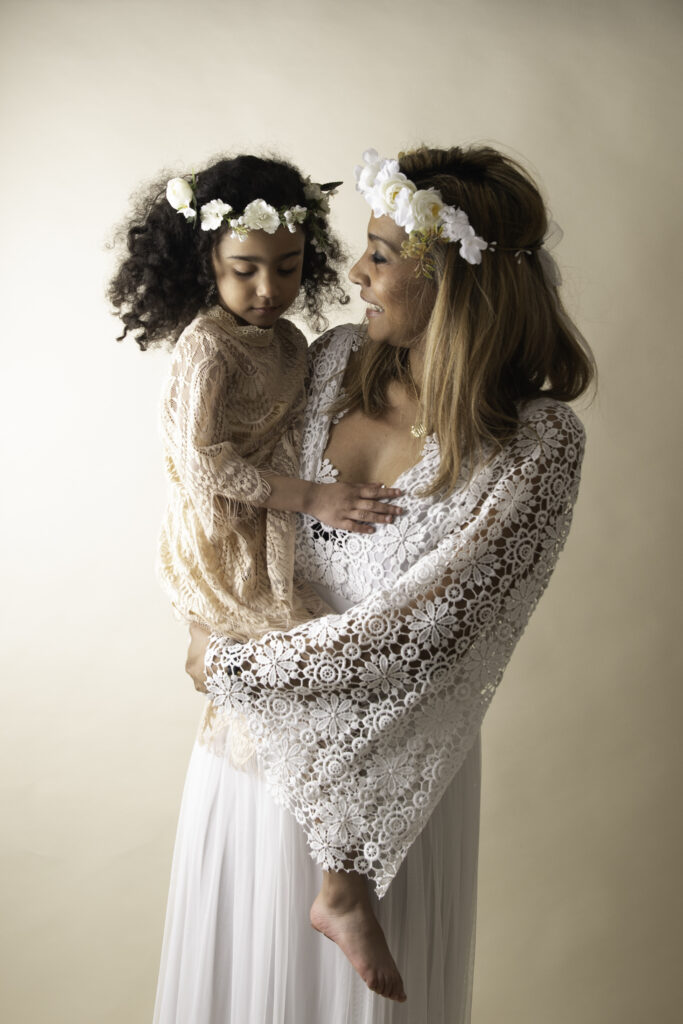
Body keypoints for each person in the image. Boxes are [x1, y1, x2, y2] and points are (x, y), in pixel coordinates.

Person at [159, 144, 595, 1024]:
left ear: (457, 281)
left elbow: (427, 636)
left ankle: (345, 896)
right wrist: (204, 611)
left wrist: (229, 664)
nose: (353, 272)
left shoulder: (535, 449)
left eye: (383, 255)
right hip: (246, 769)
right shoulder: (329, 361)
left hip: (385, 800)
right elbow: (225, 503)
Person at [108, 153, 406, 996]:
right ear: (204, 261)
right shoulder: (207, 349)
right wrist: (313, 495)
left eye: (286, 268)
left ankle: (329, 885)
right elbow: (201, 470)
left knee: (334, 672)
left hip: (273, 532)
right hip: (226, 540)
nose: (267, 289)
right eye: (244, 270)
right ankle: (334, 891)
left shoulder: (290, 341)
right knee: (312, 674)